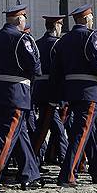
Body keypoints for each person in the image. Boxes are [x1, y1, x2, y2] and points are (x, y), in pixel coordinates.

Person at [0, 5, 41, 193]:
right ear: (20, 19)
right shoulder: (22, 38)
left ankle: (30, 174)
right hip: (16, 94)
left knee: (20, 136)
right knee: (6, 138)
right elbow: (35, 68)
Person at [51, 4, 97, 188]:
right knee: (82, 132)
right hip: (89, 90)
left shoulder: (63, 40)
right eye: (91, 17)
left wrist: (59, 92)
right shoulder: (90, 36)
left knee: (90, 131)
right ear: (86, 19)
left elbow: (56, 70)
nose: (92, 20)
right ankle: (67, 173)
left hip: (72, 91)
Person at [30, 16, 67, 168]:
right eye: (60, 25)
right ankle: (66, 160)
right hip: (52, 90)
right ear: (56, 26)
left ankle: (38, 157)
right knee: (56, 127)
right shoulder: (58, 44)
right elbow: (61, 69)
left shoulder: (37, 43)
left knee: (43, 125)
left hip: (39, 89)